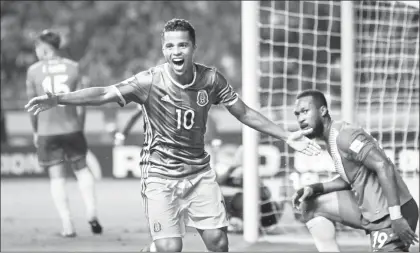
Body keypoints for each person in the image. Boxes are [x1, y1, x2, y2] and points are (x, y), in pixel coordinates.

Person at [25, 19, 320, 252]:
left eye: (182, 45)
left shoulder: (211, 79)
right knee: (170, 247)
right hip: (160, 176)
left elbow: (243, 112)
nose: (175, 51)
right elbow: (104, 92)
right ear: (163, 49)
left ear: (193, 47)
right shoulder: (149, 80)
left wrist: (285, 134)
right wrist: (61, 99)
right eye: (170, 46)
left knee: (218, 243)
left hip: (200, 174)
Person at [291, 89, 418, 252]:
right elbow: (354, 176)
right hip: (372, 209)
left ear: (322, 110)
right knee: (311, 205)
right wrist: (314, 188)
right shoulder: (332, 138)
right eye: (297, 114)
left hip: (392, 213)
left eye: (305, 111)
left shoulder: (345, 136)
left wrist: (396, 216)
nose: (301, 119)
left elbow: (383, 165)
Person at [25, 30, 103, 237]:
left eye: (36, 48)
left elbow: (32, 107)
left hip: (47, 131)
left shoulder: (33, 70)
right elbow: (82, 103)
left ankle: (67, 225)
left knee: (57, 178)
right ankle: (92, 212)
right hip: (72, 128)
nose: (36, 51)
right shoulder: (73, 67)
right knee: (82, 170)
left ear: (43, 48)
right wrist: (80, 126)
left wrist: (35, 130)